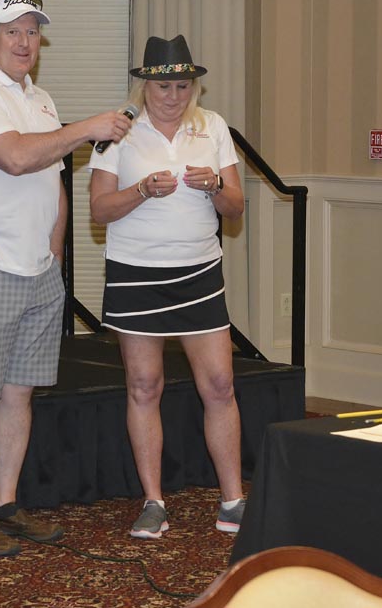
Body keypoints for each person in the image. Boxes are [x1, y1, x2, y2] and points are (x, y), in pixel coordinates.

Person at [0, 0, 132, 556]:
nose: (25, 42)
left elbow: (52, 179)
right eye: (13, 31)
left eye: (32, 31)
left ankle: (4, 504)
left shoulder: (40, 98)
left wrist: (54, 255)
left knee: (19, 393)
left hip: (38, 270)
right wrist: (87, 127)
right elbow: (17, 156)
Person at [87, 34, 246, 539]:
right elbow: (99, 210)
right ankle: (153, 501)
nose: (173, 96)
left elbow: (236, 207)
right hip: (136, 274)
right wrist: (140, 190)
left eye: (182, 86)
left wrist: (215, 186)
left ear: (193, 87)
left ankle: (233, 500)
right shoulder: (116, 132)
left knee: (219, 385)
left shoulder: (212, 126)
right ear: (144, 87)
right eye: (163, 87)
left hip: (199, 272)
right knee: (144, 386)